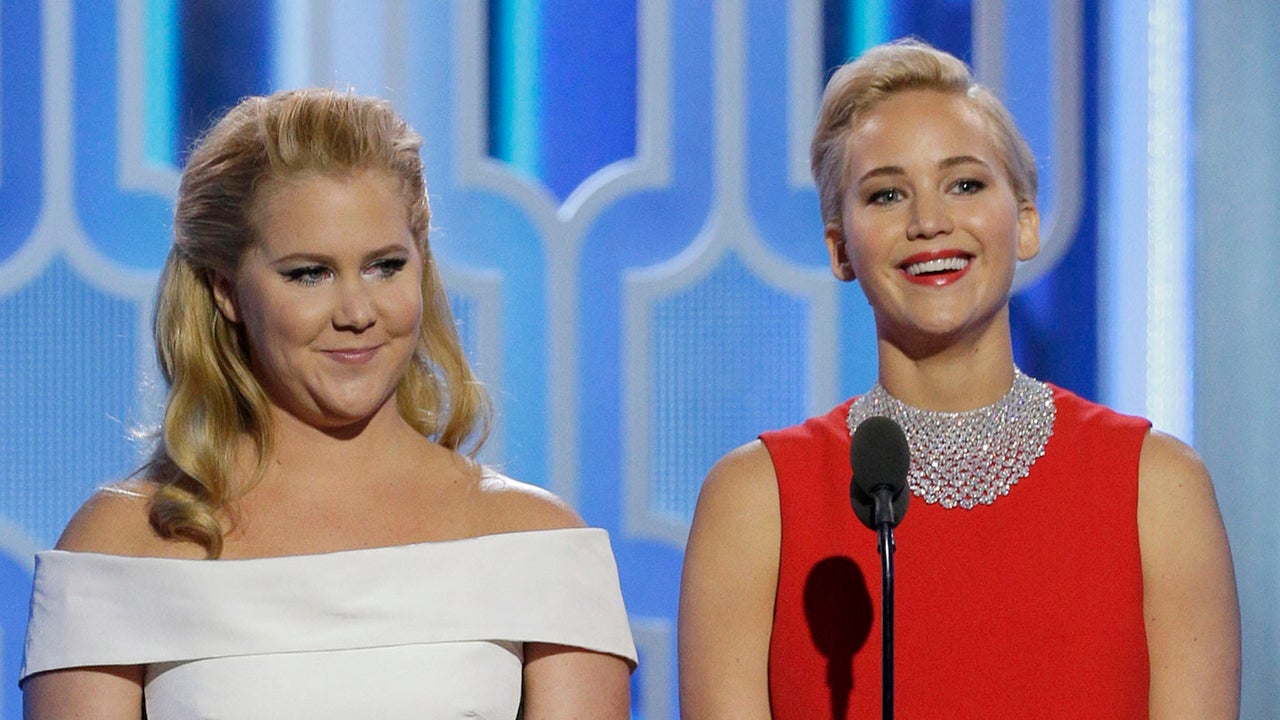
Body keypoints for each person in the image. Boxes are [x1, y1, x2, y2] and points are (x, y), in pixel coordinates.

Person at [20, 88, 635, 719]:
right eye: (308, 273)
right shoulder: (123, 544)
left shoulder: (539, 543)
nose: (357, 313)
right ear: (226, 290)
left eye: (385, 267)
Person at [679, 38, 1240, 719]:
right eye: (887, 194)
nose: (928, 222)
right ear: (840, 248)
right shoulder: (755, 500)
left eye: (965, 184)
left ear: (1025, 222)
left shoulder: (1157, 486)